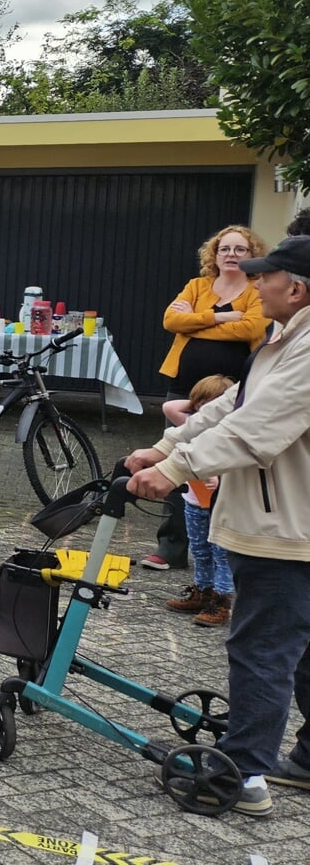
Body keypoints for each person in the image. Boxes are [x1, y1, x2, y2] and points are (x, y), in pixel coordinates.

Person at [126, 235, 310, 818]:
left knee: (262, 649)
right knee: (299, 650)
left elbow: (257, 429)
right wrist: (165, 445)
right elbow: (230, 406)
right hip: (286, 519)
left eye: (265, 277)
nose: (255, 285)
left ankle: (246, 773)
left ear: (297, 288)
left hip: (285, 528)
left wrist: (177, 470)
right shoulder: (283, 340)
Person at [145, 225, 270, 572]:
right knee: (172, 454)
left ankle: (220, 551)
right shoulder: (197, 286)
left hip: (229, 390)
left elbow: (251, 328)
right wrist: (221, 316)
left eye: (240, 249)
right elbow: (171, 320)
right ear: (213, 255)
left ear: (252, 254)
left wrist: (195, 321)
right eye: (224, 249)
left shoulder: (255, 288)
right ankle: (170, 546)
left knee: (220, 465)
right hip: (184, 387)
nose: (231, 255)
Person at [160, 374, 237, 627]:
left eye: (215, 403)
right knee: (199, 551)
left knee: (221, 555)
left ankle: (221, 601)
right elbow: (169, 407)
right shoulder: (192, 424)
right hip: (194, 503)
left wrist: (222, 481)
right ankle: (202, 592)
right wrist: (197, 405)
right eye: (203, 403)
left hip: (222, 506)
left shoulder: (234, 432)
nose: (207, 409)